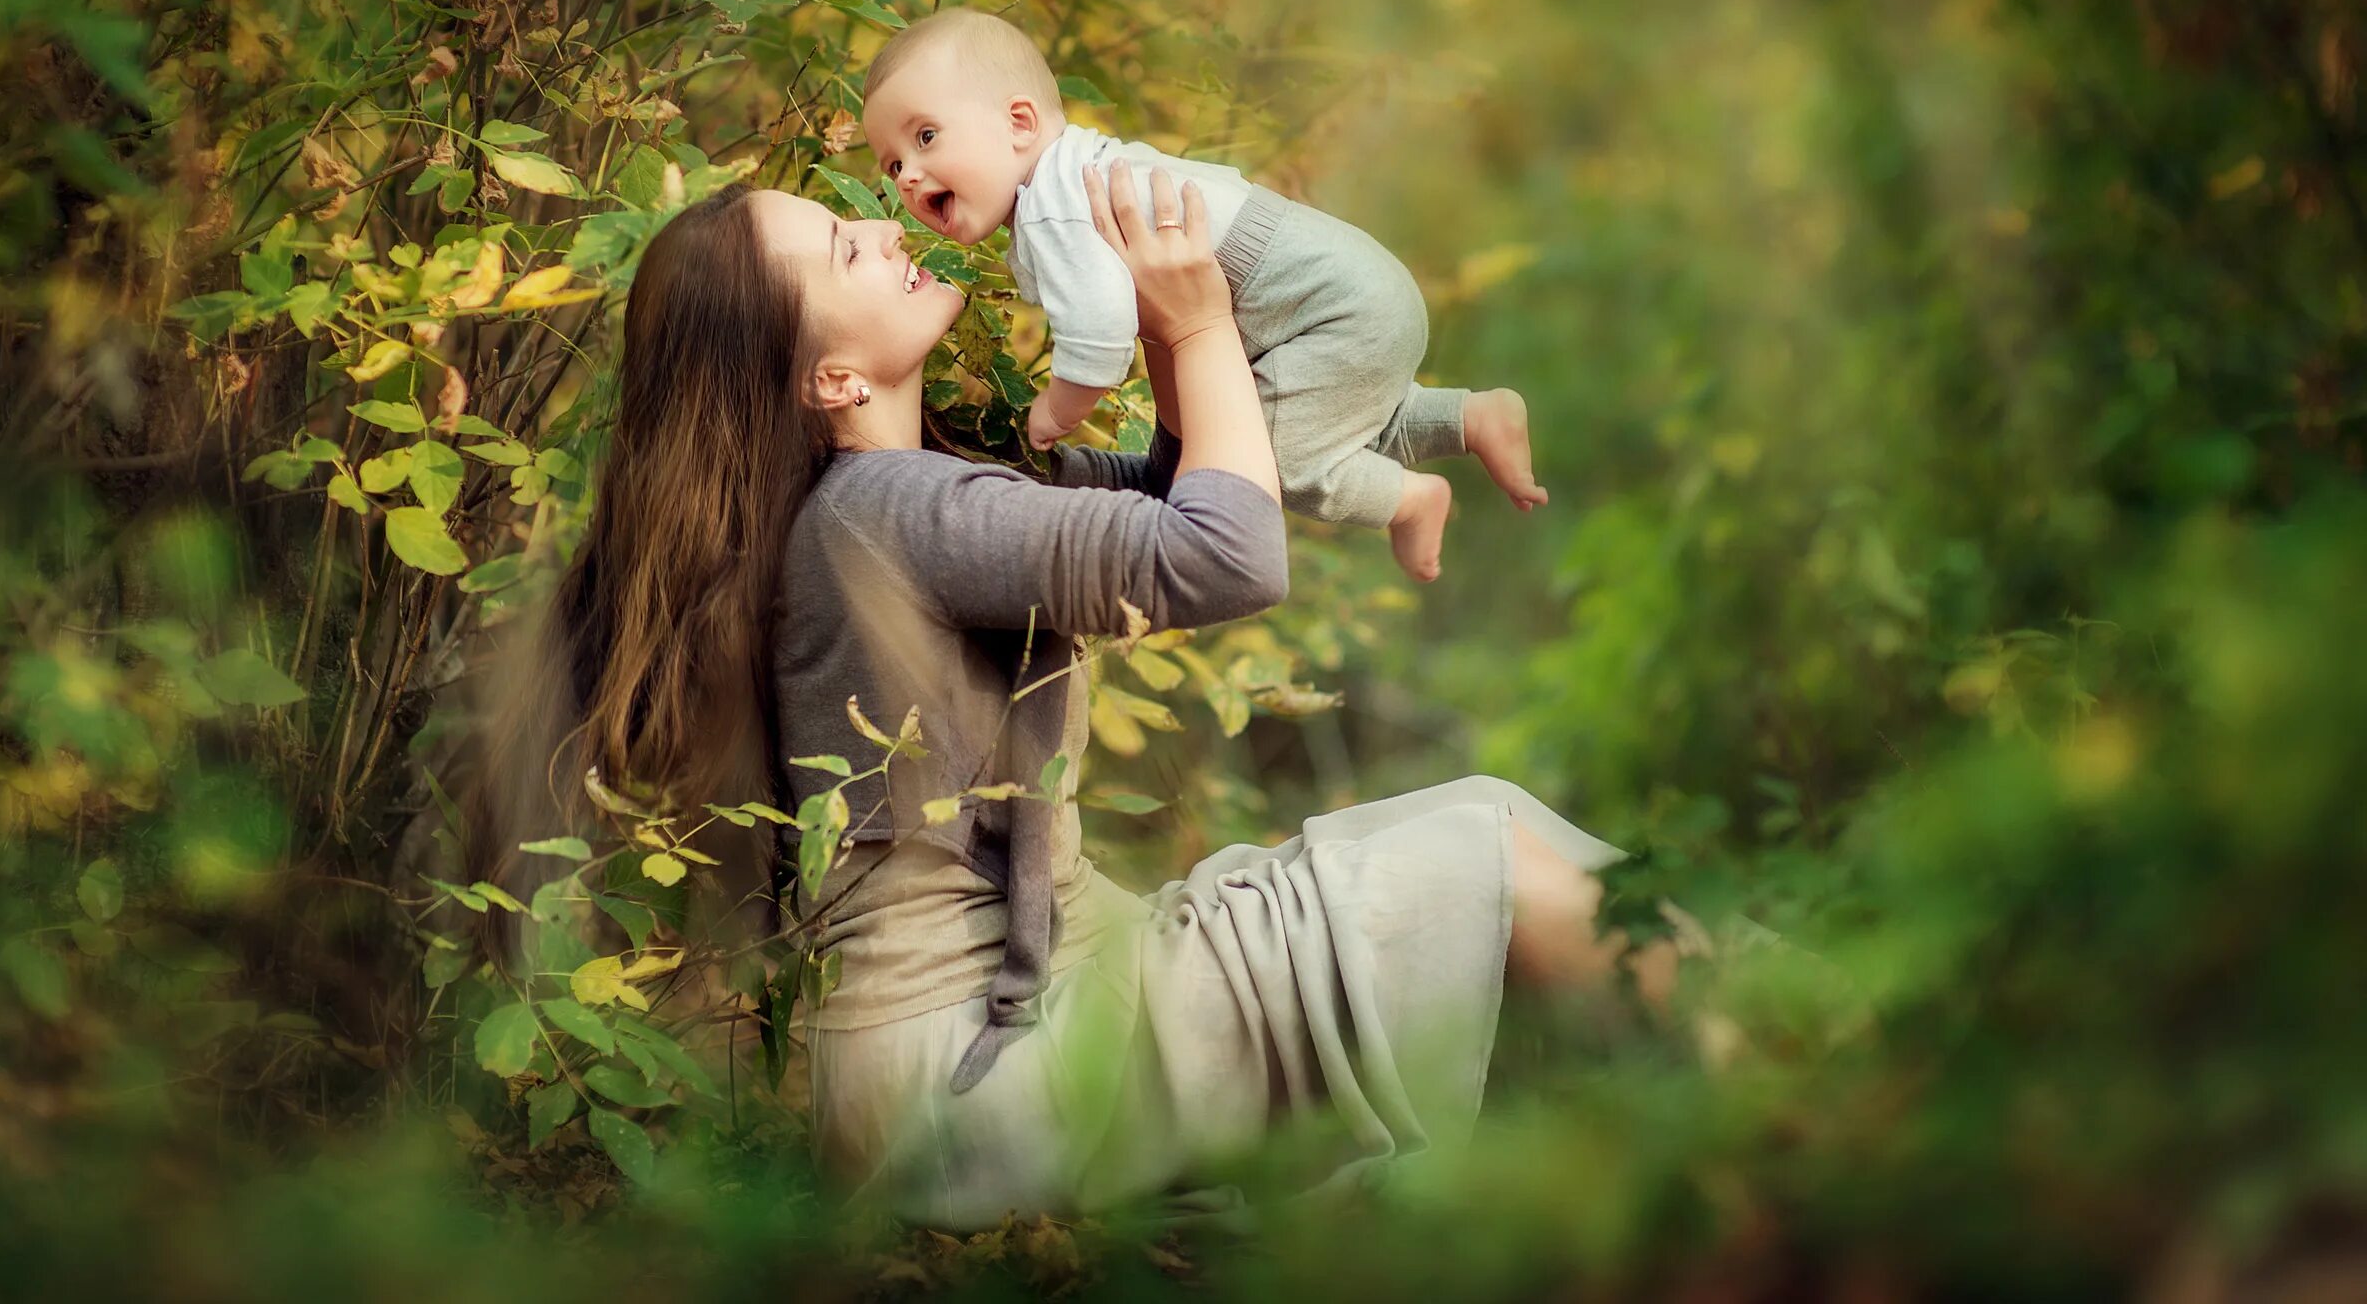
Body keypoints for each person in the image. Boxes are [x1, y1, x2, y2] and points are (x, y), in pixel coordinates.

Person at [470, 164, 1702, 1230]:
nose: (891, 229)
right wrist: (1201, 325)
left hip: (997, 1026)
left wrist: (1172, 336)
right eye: (848, 248)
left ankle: (1815, 1054)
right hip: (979, 1077)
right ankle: (1819, 1106)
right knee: (1500, 871)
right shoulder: (888, 513)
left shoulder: (918, 485)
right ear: (832, 380)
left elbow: (1186, 499)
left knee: (1492, 814)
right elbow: (1229, 557)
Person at [858, 6, 1549, 582]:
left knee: (1280, 458)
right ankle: (1468, 418)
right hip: (1350, 294)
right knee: (1339, 420)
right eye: (893, 163)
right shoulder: (1077, 172)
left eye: (925, 137)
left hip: (1331, 308)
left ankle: (1412, 499)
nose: (910, 176)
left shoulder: (1056, 207)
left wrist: (1056, 412)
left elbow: (1099, 333)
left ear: (1019, 123)